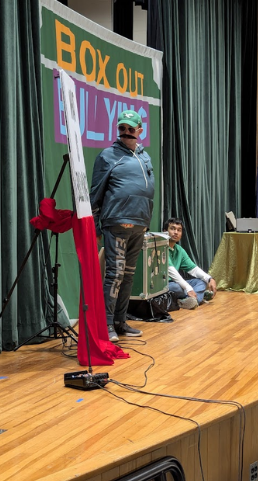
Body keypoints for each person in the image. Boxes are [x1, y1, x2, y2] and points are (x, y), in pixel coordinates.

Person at [90, 110, 156, 341]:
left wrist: (146, 220)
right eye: (122, 128)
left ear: (140, 131)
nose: (126, 133)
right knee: (115, 274)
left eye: (130, 128)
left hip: (139, 224)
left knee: (128, 275)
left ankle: (120, 321)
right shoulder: (107, 156)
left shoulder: (145, 157)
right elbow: (95, 193)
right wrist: (97, 228)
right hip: (117, 222)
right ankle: (107, 324)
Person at [163, 218, 216, 310]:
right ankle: (199, 297)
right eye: (172, 229)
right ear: (164, 231)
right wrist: (188, 288)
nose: (176, 232)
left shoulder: (179, 250)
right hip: (164, 285)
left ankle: (188, 301)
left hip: (177, 283)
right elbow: (170, 270)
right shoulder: (161, 248)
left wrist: (209, 279)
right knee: (177, 287)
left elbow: (193, 269)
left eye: (179, 230)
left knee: (202, 282)